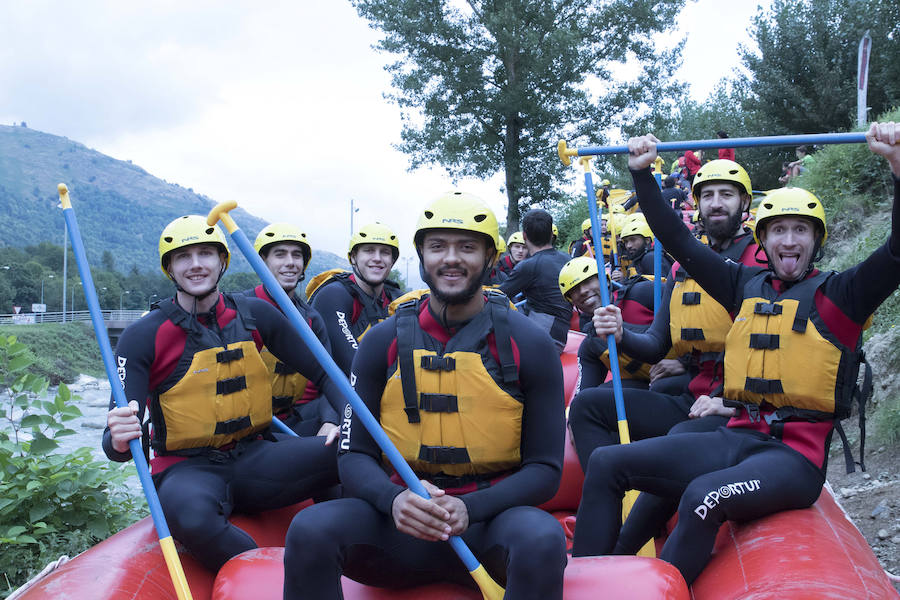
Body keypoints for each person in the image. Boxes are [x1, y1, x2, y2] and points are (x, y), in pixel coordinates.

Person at [572, 122, 900, 585]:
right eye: (779, 230)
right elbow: (679, 240)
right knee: (608, 463)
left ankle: (660, 592)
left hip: (793, 458)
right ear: (762, 240)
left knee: (703, 496)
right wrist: (642, 174)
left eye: (800, 230)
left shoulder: (843, 295)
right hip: (736, 434)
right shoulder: (742, 285)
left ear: (816, 239)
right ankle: (589, 581)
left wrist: (897, 168)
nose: (789, 241)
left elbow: (896, 253)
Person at [283, 191, 567, 600]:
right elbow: (353, 455)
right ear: (421, 255)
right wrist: (394, 498)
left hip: (490, 526)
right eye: (437, 247)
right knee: (309, 529)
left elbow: (545, 469)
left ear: (490, 258)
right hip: (400, 528)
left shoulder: (530, 344)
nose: (451, 258)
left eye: (467, 247)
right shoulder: (380, 342)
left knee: (542, 537)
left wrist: (471, 508)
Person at [103, 215, 345, 572]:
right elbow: (115, 445)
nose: (196, 264)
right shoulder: (143, 336)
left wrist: (347, 425)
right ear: (170, 267)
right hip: (187, 471)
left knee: (354, 453)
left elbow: (328, 375)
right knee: (193, 519)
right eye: (184, 257)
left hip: (260, 457)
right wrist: (119, 439)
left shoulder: (256, 315)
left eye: (206, 254)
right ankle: (265, 579)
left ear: (223, 261)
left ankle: (345, 549)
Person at [245, 223, 337, 437]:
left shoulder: (312, 319)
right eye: (280, 254)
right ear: (263, 261)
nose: (290, 263)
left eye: (297, 256)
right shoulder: (239, 310)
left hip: (295, 417)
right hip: (247, 424)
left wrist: (330, 421)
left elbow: (329, 384)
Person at [307, 223, 402, 375]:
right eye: (369, 251)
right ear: (353, 258)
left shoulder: (397, 298)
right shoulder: (333, 295)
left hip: (379, 387)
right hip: (336, 393)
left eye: (385, 252)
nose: (377, 258)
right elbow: (352, 364)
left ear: (392, 261)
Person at [559, 256, 657, 402]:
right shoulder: (590, 345)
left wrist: (682, 362)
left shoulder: (643, 294)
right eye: (574, 290)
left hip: (685, 376)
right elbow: (583, 394)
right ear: (573, 302)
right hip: (649, 390)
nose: (583, 291)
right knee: (584, 402)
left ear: (605, 280)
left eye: (587, 281)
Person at [500, 209, 573, 352]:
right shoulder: (567, 259)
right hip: (560, 332)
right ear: (551, 235)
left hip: (544, 341)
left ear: (524, 236)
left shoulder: (528, 266)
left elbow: (497, 296)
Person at [614, 213, 672, 282]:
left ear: (647, 240)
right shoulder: (640, 257)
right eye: (626, 241)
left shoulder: (650, 258)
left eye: (633, 240)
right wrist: (623, 280)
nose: (628, 245)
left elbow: (660, 288)